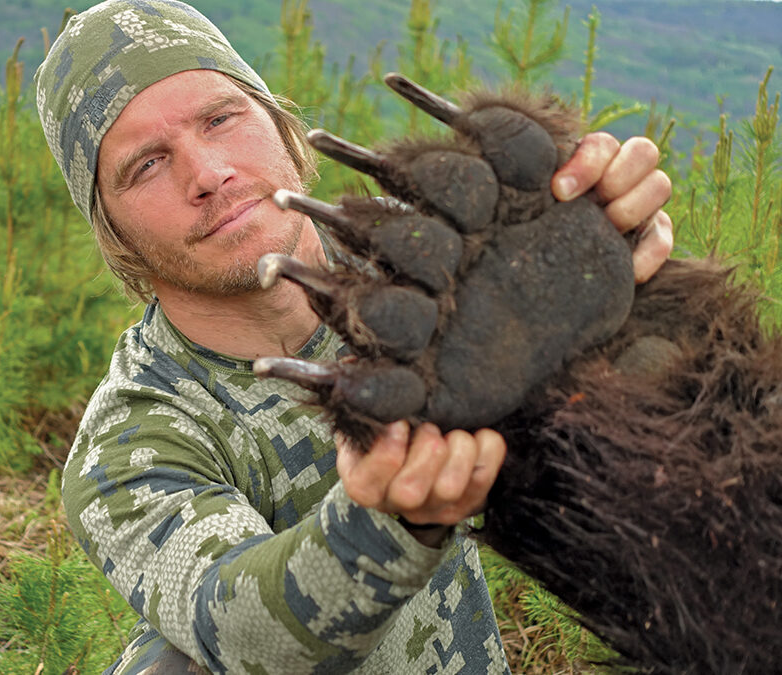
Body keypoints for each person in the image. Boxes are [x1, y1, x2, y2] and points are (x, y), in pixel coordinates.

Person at [34, 1, 673, 672]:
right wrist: (392, 514)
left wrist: (615, 249)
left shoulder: (435, 270)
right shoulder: (131, 441)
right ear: (115, 233)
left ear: (282, 127)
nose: (206, 174)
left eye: (220, 119)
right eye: (147, 165)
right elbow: (242, 628)